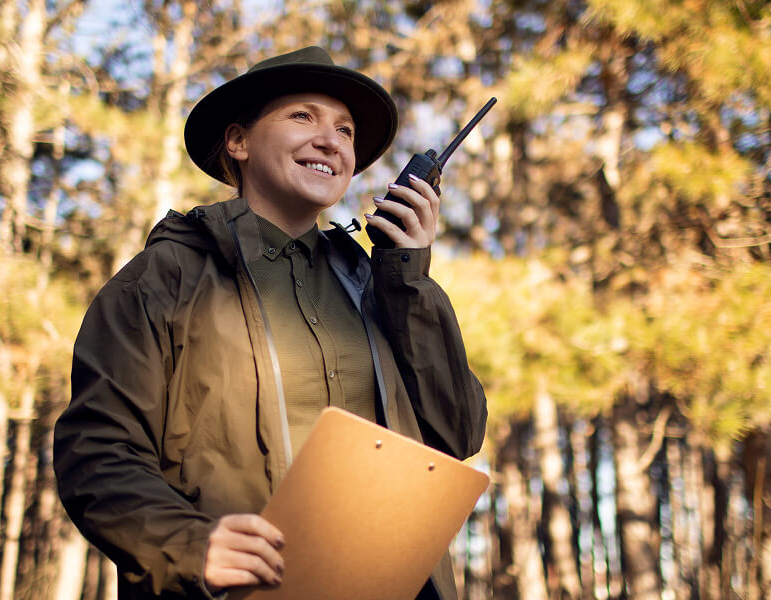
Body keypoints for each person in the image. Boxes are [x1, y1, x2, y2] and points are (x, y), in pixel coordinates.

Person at [53, 46, 487, 600]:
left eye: (346, 130)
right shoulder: (162, 278)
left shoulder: (380, 285)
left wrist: (407, 275)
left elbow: (457, 434)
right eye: (303, 116)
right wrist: (188, 545)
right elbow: (97, 449)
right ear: (238, 141)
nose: (332, 141)